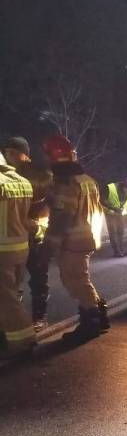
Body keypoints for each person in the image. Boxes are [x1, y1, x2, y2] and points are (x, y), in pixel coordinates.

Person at [43, 135, 109, 345]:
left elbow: (62, 218)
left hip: (73, 241)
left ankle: (91, 324)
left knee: (76, 281)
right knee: (82, 279)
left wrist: (48, 246)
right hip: (87, 238)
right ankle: (100, 316)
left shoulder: (66, 183)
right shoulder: (87, 179)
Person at [2, 136, 53, 330]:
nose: (10, 156)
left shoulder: (42, 177)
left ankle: (39, 317)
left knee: (39, 279)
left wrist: (37, 225)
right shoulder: (6, 177)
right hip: (15, 239)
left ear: (26, 155)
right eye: (7, 153)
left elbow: (51, 204)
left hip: (36, 237)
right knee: (13, 284)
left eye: (14, 153)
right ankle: (16, 319)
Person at [0, 151, 36, 359]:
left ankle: (23, 340)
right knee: (12, 293)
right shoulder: (23, 182)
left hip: (2, 251)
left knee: (7, 299)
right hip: (20, 248)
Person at [101, 176, 127, 257]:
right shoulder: (110, 188)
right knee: (113, 232)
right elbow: (101, 200)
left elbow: (126, 202)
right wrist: (113, 208)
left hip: (120, 214)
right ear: (123, 185)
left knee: (121, 232)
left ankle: (121, 250)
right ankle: (117, 252)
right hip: (110, 214)